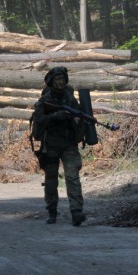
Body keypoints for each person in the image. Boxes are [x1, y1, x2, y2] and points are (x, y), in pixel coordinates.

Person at [31, 67, 87, 226]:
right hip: (50, 145)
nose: (60, 82)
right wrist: (56, 116)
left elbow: (78, 114)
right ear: (51, 82)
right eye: (57, 79)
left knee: (72, 177)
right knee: (51, 180)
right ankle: (52, 211)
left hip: (69, 143)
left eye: (62, 79)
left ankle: (76, 211)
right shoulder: (44, 100)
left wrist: (77, 118)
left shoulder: (70, 99)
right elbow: (39, 118)